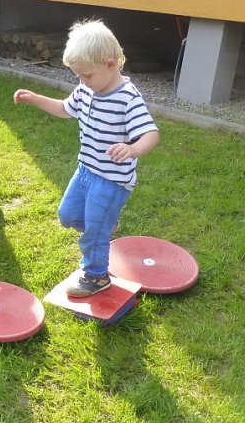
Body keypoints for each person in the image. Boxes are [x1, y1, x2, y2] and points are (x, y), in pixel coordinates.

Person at [14, 20, 160, 297]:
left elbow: (151, 133)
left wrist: (133, 149)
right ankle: (106, 226)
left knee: (93, 230)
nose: (82, 82)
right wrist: (36, 98)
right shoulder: (86, 90)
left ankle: (96, 276)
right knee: (67, 215)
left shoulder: (128, 98)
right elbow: (64, 109)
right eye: (79, 76)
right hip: (86, 171)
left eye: (87, 75)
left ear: (111, 63)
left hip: (112, 180)